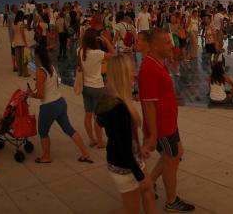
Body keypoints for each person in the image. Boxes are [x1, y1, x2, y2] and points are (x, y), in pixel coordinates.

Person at [140, 28, 194, 212]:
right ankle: (172, 201)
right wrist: (153, 134)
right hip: (162, 127)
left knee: (177, 153)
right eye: (167, 42)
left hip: (170, 123)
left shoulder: (159, 63)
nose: (172, 45)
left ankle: (150, 183)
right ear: (155, 46)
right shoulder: (148, 68)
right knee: (171, 161)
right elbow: (148, 105)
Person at [97, 55, 157, 214]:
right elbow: (123, 148)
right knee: (131, 210)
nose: (134, 73)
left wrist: (139, 150)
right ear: (122, 74)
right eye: (131, 70)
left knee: (149, 192)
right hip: (124, 164)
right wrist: (140, 176)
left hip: (131, 158)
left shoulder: (113, 100)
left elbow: (124, 137)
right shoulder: (118, 108)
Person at [29, 45, 93, 164]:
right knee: (69, 129)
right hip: (60, 102)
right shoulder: (52, 67)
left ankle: (46, 156)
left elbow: (41, 95)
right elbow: (55, 86)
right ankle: (85, 153)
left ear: (37, 56)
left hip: (49, 106)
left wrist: (30, 94)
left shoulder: (39, 71)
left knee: (43, 132)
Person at [78, 28, 114, 148]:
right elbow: (114, 54)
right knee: (97, 115)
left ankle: (91, 139)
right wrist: (107, 42)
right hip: (97, 86)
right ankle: (100, 141)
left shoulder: (80, 51)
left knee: (87, 114)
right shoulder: (97, 53)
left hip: (85, 87)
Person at [12, 10, 29, 77]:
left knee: (18, 59)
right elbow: (22, 34)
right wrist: (26, 43)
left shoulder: (14, 24)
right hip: (21, 42)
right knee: (24, 59)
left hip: (16, 42)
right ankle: (25, 73)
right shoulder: (21, 24)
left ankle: (20, 72)